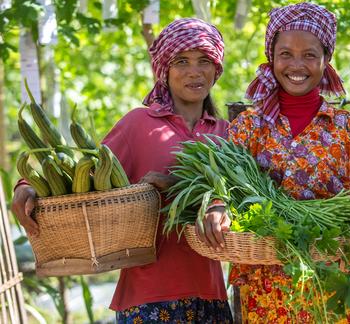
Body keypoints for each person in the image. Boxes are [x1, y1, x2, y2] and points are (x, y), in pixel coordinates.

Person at [12, 18, 233, 323]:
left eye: (204, 61)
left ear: (216, 69)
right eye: (182, 61)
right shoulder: (138, 125)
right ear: (164, 70)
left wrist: (186, 188)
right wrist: (26, 185)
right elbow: (82, 177)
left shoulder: (227, 134)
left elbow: (242, 202)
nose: (194, 71)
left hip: (212, 297)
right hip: (147, 297)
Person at [197, 2, 350, 323]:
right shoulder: (249, 125)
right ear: (272, 58)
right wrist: (217, 203)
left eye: (309, 54)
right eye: (286, 54)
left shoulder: (348, 128)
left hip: (330, 284)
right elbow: (220, 182)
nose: (297, 64)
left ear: (326, 59)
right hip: (265, 288)